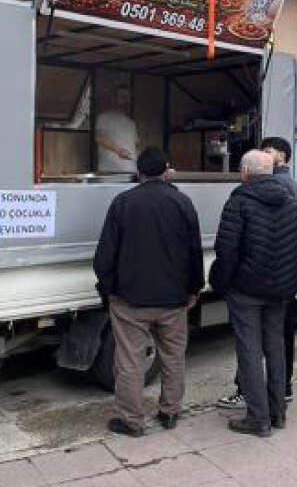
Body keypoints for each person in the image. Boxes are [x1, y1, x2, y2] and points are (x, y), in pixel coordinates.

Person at [92, 147, 203, 437]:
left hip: (130, 300)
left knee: (129, 361)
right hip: (173, 300)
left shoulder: (123, 203)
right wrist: (194, 289)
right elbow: (194, 253)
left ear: (138, 172)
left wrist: (107, 289)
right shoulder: (183, 202)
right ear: (166, 171)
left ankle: (130, 420)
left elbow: (104, 255)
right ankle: (170, 412)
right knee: (173, 357)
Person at [210, 150, 297, 437]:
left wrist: (222, 282)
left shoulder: (239, 201)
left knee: (249, 351)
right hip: (281, 288)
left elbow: (226, 250)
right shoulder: (290, 201)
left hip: (246, 289)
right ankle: (278, 413)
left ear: (245, 172)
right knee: (275, 347)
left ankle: (257, 418)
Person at [95, 86, 140, 174]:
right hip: (110, 171)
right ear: (114, 99)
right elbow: (99, 137)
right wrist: (119, 150)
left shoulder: (131, 123)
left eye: (128, 98)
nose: (126, 101)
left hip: (131, 170)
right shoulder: (103, 118)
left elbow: (136, 145)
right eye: (123, 97)